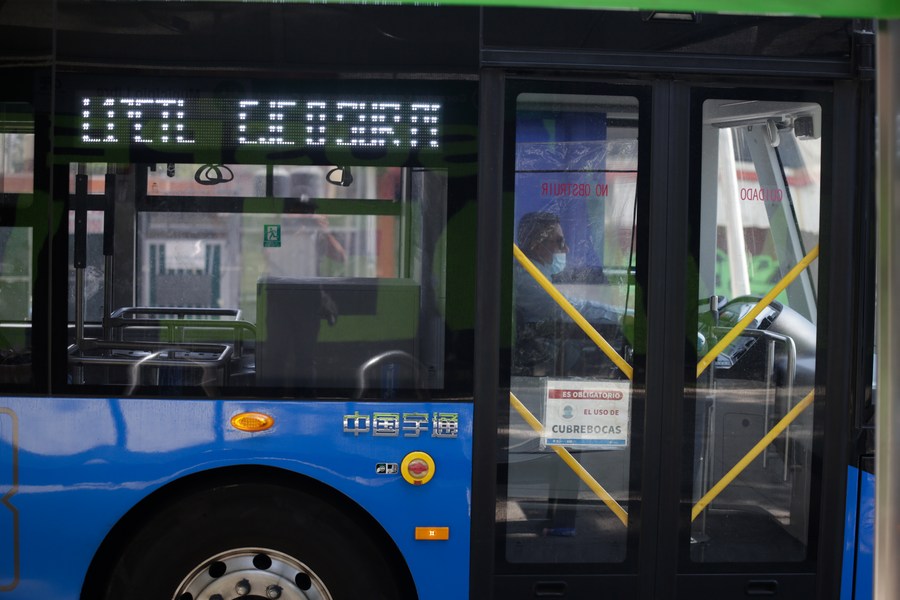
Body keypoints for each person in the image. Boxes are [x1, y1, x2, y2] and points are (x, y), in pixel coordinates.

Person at [514, 211, 621, 377]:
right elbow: (568, 309)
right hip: (539, 357)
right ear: (536, 244)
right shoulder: (528, 280)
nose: (566, 248)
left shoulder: (535, 273)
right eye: (559, 241)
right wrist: (617, 316)